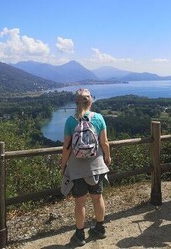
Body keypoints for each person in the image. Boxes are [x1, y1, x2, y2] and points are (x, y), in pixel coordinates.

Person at [60, 89, 111, 246]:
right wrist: (107, 158)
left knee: (80, 202)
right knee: (97, 198)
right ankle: (100, 228)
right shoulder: (99, 118)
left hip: (77, 169)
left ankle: (80, 234)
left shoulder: (70, 121)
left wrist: (63, 165)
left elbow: (67, 148)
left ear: (76, 103)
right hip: (96, 166)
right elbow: (104, 143)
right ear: (90, 102)